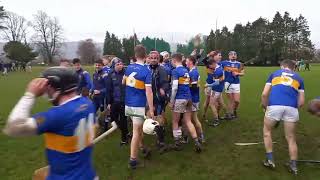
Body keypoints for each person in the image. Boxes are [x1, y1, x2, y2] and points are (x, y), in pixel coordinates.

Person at [3, 67, 98, 180]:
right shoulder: (88, 103)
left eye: (47, 87)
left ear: (56, 88)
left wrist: (29, 95)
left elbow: (13, 127)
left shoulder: (57, 115)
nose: (45, 91)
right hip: (89, 175)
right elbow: (94, 128)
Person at [261, 60, 305, 175]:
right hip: (292, 108)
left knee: (267, 132)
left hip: (274, 106)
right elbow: (301, 102)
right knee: (291, 137)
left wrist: (265, 106)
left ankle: (270, 159)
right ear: (293, 68)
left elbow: (264, 94)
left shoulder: (274, 74)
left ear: (282, 66)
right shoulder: (299, 78)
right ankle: (293, 165)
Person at [124, 45, 154, 169]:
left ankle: (142, 148)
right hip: (138, 105)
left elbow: (123, 81)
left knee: (138, 129)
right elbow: (149, 92)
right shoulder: (146, 71)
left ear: (135, 55)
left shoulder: (129, 67)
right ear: (145, 56)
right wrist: (151, 109)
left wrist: (133, 84)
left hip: (128, 103)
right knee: (136, 132)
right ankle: (133, 160)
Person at [169, 53, 202, 153]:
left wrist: (171, 101)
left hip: (179, 98)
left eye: (171, 61)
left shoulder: (175, 71)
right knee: (188, 121)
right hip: (189, 98)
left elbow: (174, 87)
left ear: (174, 60)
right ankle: (197, 142)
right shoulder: (186, 70)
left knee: (175, 121)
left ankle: (177, 143)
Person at [148, 51, 170, 152]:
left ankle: (161, 141)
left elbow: (166, 83)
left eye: (155, 58)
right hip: (148, 99)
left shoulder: (162, 70)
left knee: (158, 118)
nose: (153, 59)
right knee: (152, 116)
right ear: (149, 58)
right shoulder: (146, 69)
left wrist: (163, 89)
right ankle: (160, 132)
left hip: (159, 99)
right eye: (151, 58)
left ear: (158, 59)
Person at [106, 58, 129, 146]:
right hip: (114, 101)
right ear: (114, 66)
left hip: (124, 101)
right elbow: (109, 90)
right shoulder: (110, 75)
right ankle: (126, 132)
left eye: (121, 64)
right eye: (118, 64)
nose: (120, 65)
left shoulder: (126, 73)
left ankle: (124, 139)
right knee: (112, 118)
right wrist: (109, 103)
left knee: (123, 120)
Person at [186, 56, 205, 143]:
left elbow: (194, 86)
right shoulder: (192, 71)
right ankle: (200, 136)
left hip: (192, 99)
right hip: (194, 98)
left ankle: (199, 136)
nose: (185, 62)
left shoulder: (193, 72)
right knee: (191, 119)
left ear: (190, 62)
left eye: (187, 61)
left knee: (191, 119)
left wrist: (185, 85)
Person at [221, 51, 244, 119]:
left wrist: (237, 74)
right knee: (230, 100)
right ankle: (229, 114)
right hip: (227, 84)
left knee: (237, 101)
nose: (233, 55)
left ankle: (234, 110)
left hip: (236, 84)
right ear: (229, 56)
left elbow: (243, 73)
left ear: (236, 56)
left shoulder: (239, 64)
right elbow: (217, 66)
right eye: (231, 54)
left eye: (235, 54)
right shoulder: (224, 63)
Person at [206, 59, 225, 126]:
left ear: (213, 64)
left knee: (211, 104)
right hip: (220, 88)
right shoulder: (220, 67)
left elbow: (216, 82)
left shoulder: (217, 71)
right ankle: (227, 115)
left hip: (216, 89)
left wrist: (208, 85)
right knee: (221, 102)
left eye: (211, 66)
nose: (211, 67)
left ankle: (216, 120)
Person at [91, 59, 109, 132]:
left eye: (99, 65)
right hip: (95, 97)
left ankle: (105, 129)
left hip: (103, 98)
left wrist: (100, 91)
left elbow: (108, 87)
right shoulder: (94, 74)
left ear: (102, 65)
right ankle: (94, 128)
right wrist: (91, 90)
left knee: (103, 114)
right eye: (96, 65)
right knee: (92, 111)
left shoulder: (105, 74)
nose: (97, 66)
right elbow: (94, 85)